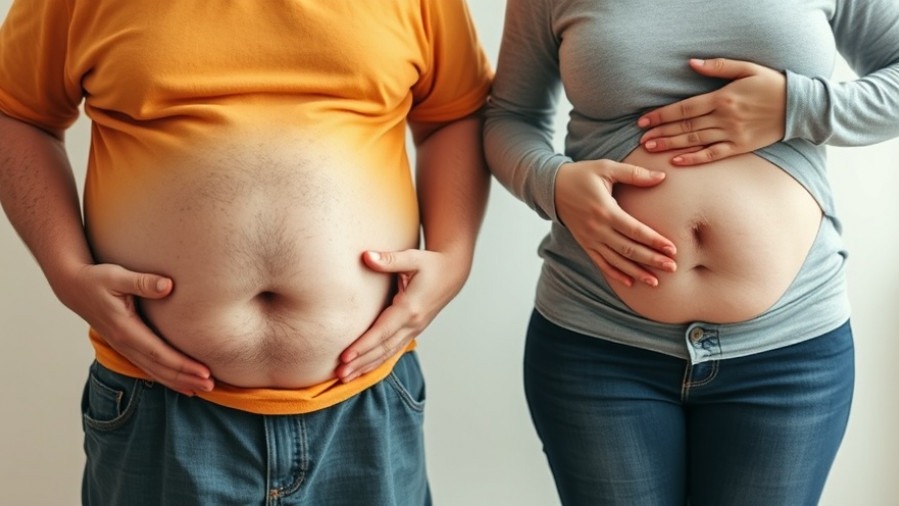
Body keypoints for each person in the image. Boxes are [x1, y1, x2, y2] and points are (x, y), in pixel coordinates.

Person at [0, 0, 492, 504]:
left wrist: (454, 258)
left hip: (364, 395)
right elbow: (15, 113)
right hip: (158, 400)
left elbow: (454, 113)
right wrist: (64, 269)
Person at [484, 1, 899, 505]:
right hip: (599, 344)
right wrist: (551, 184)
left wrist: (797, 105)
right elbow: (509, 116)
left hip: (789, 354)